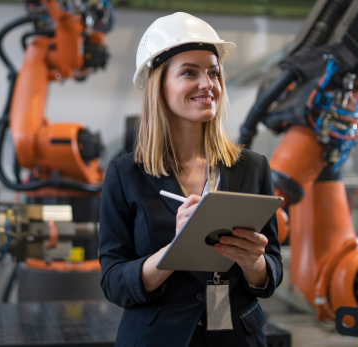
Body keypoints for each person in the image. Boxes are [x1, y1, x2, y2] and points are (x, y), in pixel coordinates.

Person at [98, 12, 283, 346]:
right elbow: (113, 281)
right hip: (158, 337)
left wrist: (254, 262)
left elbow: (271, 272)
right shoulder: (125, 175)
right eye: (189, 72)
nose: (207, 83)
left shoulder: (251, 167)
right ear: (159, 85)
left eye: (213, 72)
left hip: (237, 337)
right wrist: (176, 251)